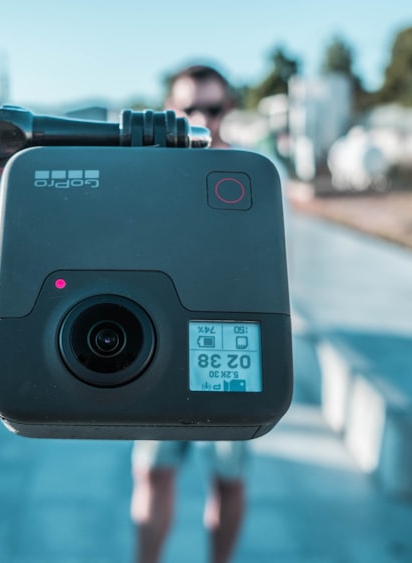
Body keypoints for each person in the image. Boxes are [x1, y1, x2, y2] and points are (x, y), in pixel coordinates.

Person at [130, 63, 248, 563]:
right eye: (188, 107)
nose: (202, 116)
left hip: (230, 345)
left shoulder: (251, 171)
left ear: (228, 110)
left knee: (229, 476)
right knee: (153, 472)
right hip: (161, 340)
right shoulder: (146, 173)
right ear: (169, 111)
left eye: (212, 107)